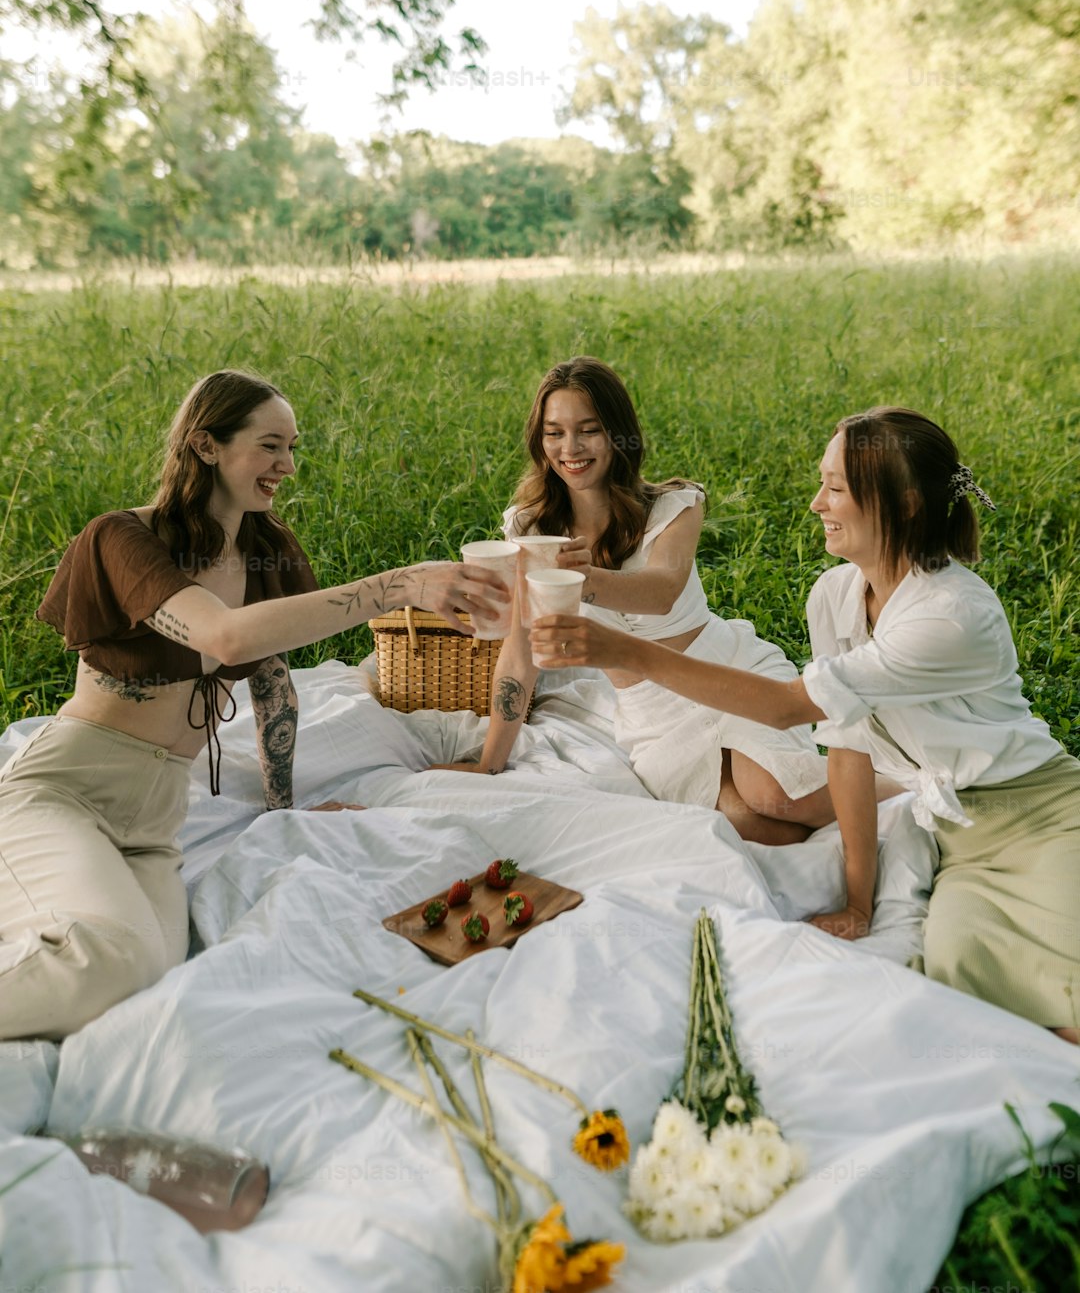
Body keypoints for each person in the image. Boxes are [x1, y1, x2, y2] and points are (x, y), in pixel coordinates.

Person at [535, 405, 1080, 1040]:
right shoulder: (835, 594)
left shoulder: (950, 615)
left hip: (1036, 817)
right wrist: (855, 901)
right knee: (963, 967)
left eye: (837, 489)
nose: (817, 503)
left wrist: (624, 652)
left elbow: (788, 707)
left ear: (904, 505)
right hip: (954, 836)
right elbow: (847, 746)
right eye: (822, 482)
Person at [0, 370, 508, 1041]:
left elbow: (270, 684)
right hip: (69, 790)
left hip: (155, 822)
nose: (287, 466)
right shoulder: (123, 539)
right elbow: (223, 635)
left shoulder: (268, 551)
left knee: (154, 965)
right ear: (207, 444)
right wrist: (402, 584)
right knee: (110, 958)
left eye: (293, 447)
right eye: (271, 445)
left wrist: (283, 807)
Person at [437, 357, 848, 843]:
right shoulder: (529, 531)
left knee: (776, 796)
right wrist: (490, 762)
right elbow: (519, 650)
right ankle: (859, 819)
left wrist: (576, 578)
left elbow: (661, 590)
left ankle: (918, 796)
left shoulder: (674, 506)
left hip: (726, 671)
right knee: (747, 825)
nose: (570, 448)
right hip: (652, 714)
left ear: (618, 434)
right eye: (554, 433)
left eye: (588, 430)